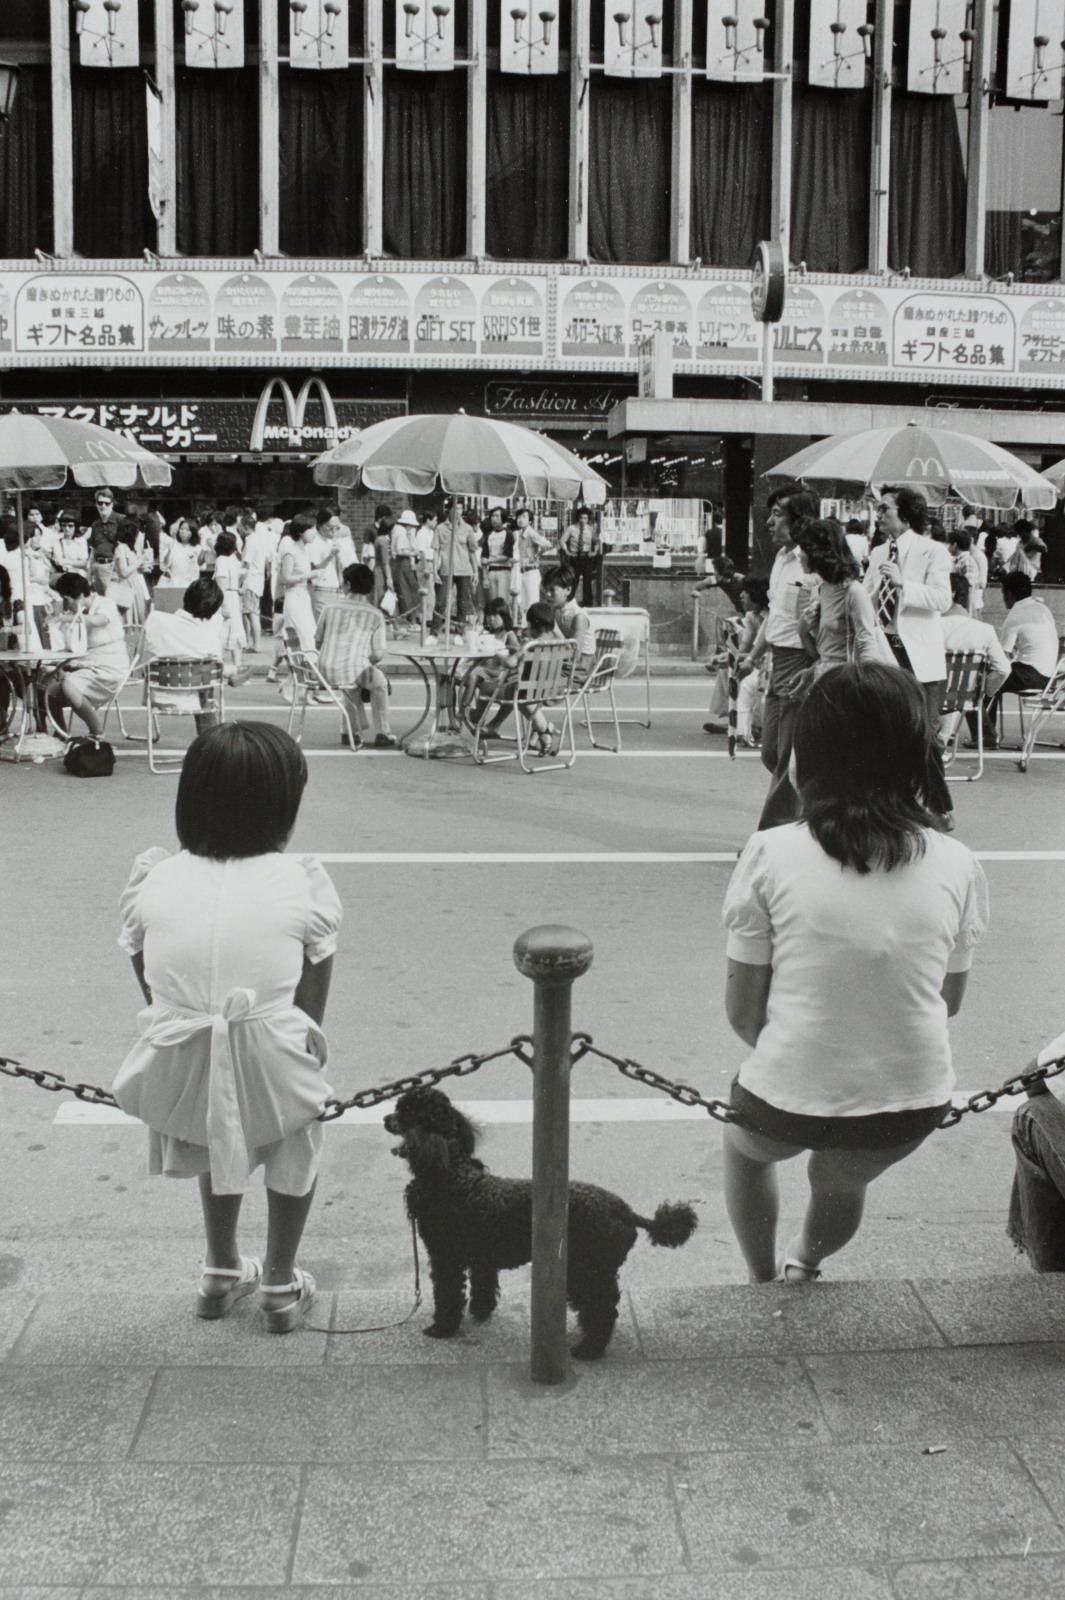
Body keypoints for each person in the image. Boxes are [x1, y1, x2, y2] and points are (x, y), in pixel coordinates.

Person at [721, 663, 989, 1284]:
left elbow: (742, 1014)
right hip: (909, 1102)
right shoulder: (958, 862)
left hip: (788, 1094)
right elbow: (947, 1001)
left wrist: (815, 1057)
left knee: (745, 1152)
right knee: (839, 1182)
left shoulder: (771, 852)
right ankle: (805, 1263)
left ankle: (761, 1281)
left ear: (806, 756)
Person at [111, 721, 342, 1331]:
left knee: (220, 1130)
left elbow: (147, 975)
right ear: (281, 808)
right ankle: (279, 1284)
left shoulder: (156, 877)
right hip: (271, 1054)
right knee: (294, 1145)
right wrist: (291, 1051)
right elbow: (312, 993)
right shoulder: (301, 882)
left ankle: (219, 1269)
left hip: (180, 1066)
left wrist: (201, 1024)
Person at [863, 485, 954, 827]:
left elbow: (942, 600)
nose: (879, 515)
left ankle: (939, 807)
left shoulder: (933, 552)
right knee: (885, 731)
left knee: (924, 734)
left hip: (919, 654)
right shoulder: (877, 553)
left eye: (885, 509)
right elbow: (869, 596)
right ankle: (893, 803)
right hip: (885, 648)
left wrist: (904, 584)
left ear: (905, 514)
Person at [757, 484, 819, 830]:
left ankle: (772, 835)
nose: (769, 522)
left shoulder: (812, 563)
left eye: (778, 514)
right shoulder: (781, 559)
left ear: (800, 521)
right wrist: (754, 655)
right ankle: (814, 814)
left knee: (787, 758)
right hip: (778, 659)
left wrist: (811, 664)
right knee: (772, 752)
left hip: (800, 661)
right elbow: (774, 613)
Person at [142, 576, 251, 731]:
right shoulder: (209, 639)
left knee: (204, 670)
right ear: (213, 610)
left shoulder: (155, 620)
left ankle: (231, 671)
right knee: (207, 674)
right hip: (194, 698)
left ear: (186, 596)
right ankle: (232, 671)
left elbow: (142, 655)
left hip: (159, 693)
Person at [794, 520, 894, 676]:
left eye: (803, 549)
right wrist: (802, 631)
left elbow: (867, 643)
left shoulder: (853, 592)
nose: (799, 555)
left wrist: (870, 684)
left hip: (846, 679)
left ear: (819, 551)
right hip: (823, 676)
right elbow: (820, 654)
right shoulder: (818, 591)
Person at [313, 563, 396, 750]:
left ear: (347, 584)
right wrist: (365, 661)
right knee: (379, 683)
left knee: (352, 682)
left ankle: (349, 730)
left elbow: (317, 642)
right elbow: (378, 653)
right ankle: (383, 731)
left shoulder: (329, 607)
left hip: (324, 669)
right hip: (354, 670)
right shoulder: (375, 614)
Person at [47, 571, 129, 737]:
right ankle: (61, 732)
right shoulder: (76, 613)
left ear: (78, 595)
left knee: (68, 685)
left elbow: (98, 620)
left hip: (111, 665)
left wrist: (63, 619)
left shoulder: (106, 604)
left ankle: (97, 731)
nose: (65, 603)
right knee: (49, 691)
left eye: (66, 598)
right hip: (88, 664)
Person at [983, 570, 1060, 743]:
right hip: (1049, 677)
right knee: (994, 680)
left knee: (983, 679)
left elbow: (1001, 658)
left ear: (1009, 594)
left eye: (1003, 593)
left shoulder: (1015, 615)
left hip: (1029, 674)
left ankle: (986, 734)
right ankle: (987, 731)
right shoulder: (1042, 608)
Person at [937, 573, 1011, 750]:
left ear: (951, 593)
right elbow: (1003, 669)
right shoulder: (984, 631)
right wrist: (982, 692)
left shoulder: (930, 627)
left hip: (928, 699)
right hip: (964, 698)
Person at [279, 513, 336, 653]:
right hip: (294, 596)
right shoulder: (291, 552)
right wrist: (309, 575)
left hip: (304, 596)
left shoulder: (305, 550)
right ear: (300, 531)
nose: (313, 533)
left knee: (307, 635)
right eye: (310, 529)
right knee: (304, 636)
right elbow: (285, 578)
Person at [542, 564, 596, 685]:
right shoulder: (556, 610)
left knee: (534, 680)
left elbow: (575, 654)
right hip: (562, 663)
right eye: (546, 590)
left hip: (579, 669)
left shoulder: (579, 616)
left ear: (568, 590)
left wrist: (554, 627)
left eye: (552, 590)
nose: (547, 594)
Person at [434, 506, 481, 632]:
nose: (458, 511)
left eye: (460, 509)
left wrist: (475, 572)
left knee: (463, 603)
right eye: (455, 508)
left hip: (464, 570)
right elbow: (436, 551)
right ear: (449, 510)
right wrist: (434, 571)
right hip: (445, 569)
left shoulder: (468, 529)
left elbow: (472, 552)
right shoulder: (440, 528)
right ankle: (434, 632)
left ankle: (460, 632)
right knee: (440, 602)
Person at [210, 531, 246, 672]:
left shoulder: (229, 559)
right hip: (227, 599)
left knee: (234, 633)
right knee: (224, 633)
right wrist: (224, 605)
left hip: (233, 597)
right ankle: (220, 665)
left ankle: (237, 666)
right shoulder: (223, 560)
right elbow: (221, 582)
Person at [513, 506, 552, 624]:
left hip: (531, 571)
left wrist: (537, 554)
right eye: (519, 517)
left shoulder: (531, 533)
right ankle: (525, 627)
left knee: (532, 602)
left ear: (530, 520)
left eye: (524, 517)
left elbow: (547, 544)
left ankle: (534, 626)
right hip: (523, 571)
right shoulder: (520, 533)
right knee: (524, 603)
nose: (520, 519)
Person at [107, 523, 150, 625]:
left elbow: (132, 568)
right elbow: (124, 572)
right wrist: (141, 559)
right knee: (128, 617)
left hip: (135, 585)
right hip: (126, 587)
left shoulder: (131, 549)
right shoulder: (121, 548)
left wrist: (143, 567)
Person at [561, 508, 601, 607]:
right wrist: (567, 551)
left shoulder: (591, 529)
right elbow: (562, 540)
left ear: (588, 519)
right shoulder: (571, 528)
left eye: (585, 518)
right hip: (575, 557)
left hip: (586, 557)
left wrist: (594, 551)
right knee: (573, 580)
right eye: (581, 518)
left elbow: (597, 542)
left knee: (587, 581)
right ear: (578, 518)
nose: (583, 520)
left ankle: (587, 603)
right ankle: (569, 602)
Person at [389, 509, 422, 626]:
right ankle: (411, 620)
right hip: (403, 563)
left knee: (406, 590)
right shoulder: (401, 532)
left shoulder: (397, 530)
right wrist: (413, 553)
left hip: (400, 564)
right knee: (409, 591)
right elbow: (400, 550)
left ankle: (407, 619)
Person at [480, 508, 516, 607]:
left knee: (503, 601)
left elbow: (507, 556)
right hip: (491, 571)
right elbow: (483, 557)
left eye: (497, 516)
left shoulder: (508, 533)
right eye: (492, 516)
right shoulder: (488, 535)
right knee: (493, 602)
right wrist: (485, 577)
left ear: (503, 518)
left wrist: (489, 560)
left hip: (504, 571)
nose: (494, 519)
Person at [947, 528, 985, 616]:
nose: (948, 546)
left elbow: (970, 587)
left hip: (964, 607)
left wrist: (969, 612)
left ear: (955, 545)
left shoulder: (967, 562)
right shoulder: (957, 561)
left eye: (949, 543)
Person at [51, 510, 91, 579]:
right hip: (62, 573)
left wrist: (65, 562)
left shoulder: (81, 541)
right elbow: (57, 560)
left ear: (76, 526)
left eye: (70, 526)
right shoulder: (57, 539)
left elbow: (83, 563)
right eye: (64, 525)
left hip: (78, 573)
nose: (67, 528)